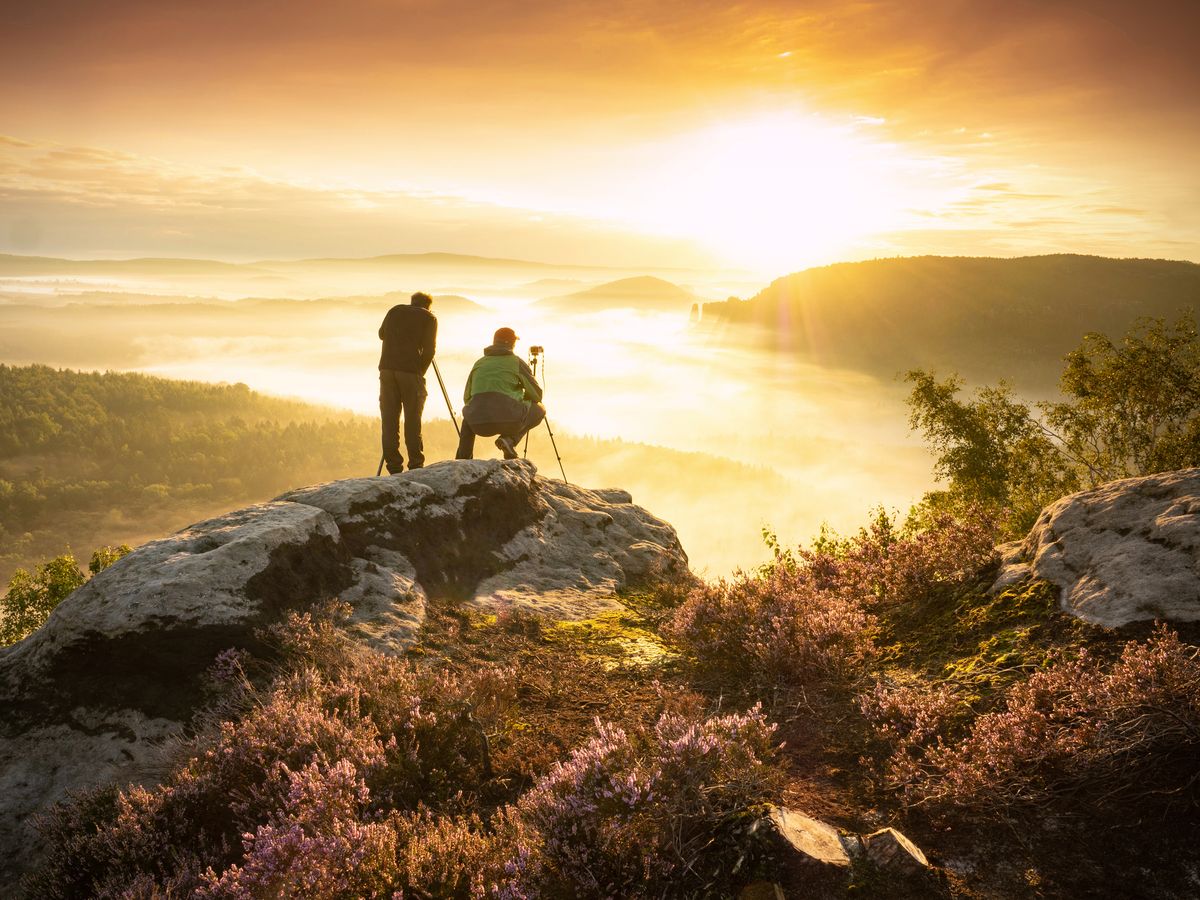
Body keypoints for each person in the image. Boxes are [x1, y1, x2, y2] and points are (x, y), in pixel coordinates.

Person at [456, 327, 545, 460]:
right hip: (508, 420)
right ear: (511, 344)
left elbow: (467, 398)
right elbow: (537, 395)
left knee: (469, 414)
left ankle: (462, 459)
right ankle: (509, 440)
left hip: (479, 425)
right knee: (539, 410)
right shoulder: (516, 362)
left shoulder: (479, 363)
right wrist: (520, 399)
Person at [378, 291, 437, 473]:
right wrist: (419, 371)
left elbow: (381, 334)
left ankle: (394, 466)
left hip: (387, 369)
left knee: (389, 420)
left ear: (412, 302)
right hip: (410, 373)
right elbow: (429, 351)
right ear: (428, 305)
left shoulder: (394, 311)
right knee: (412, 420)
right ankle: (416, 465)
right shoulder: (429, 318)